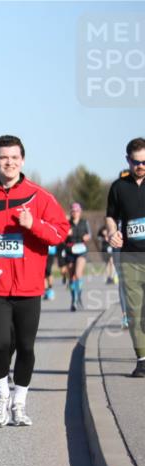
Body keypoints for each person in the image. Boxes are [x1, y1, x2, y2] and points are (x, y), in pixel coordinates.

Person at [0, 135, 68, 426]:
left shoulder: (40, 196)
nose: (9, 163)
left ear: (22, 160)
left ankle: (19, 404)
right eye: (3, 157)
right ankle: (1, 396)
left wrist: (34, 224)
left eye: (14, 157)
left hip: (28, 286)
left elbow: (60, 232)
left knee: (26, 347)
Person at [104, 136, 145, 377]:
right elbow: (111, 216)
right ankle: (142, 359)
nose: (141, 166)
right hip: (130, 258)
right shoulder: (118, 187)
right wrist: (112, 232)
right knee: (134, 311)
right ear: (128, 160)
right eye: (136, 162)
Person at [63, 202, 91, 311]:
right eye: (73, 211)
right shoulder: (67, 223)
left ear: (80, 212)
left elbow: (89, 234)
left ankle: (79, 297)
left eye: (77, 211)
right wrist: (66, 233)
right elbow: (61, 237)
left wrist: (87, 236)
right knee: (71, 277)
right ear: (71, 212)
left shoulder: (85, 222)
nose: (75, 213)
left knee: (78, 274)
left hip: (81, 251)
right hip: (70, 251)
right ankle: (73, 299)